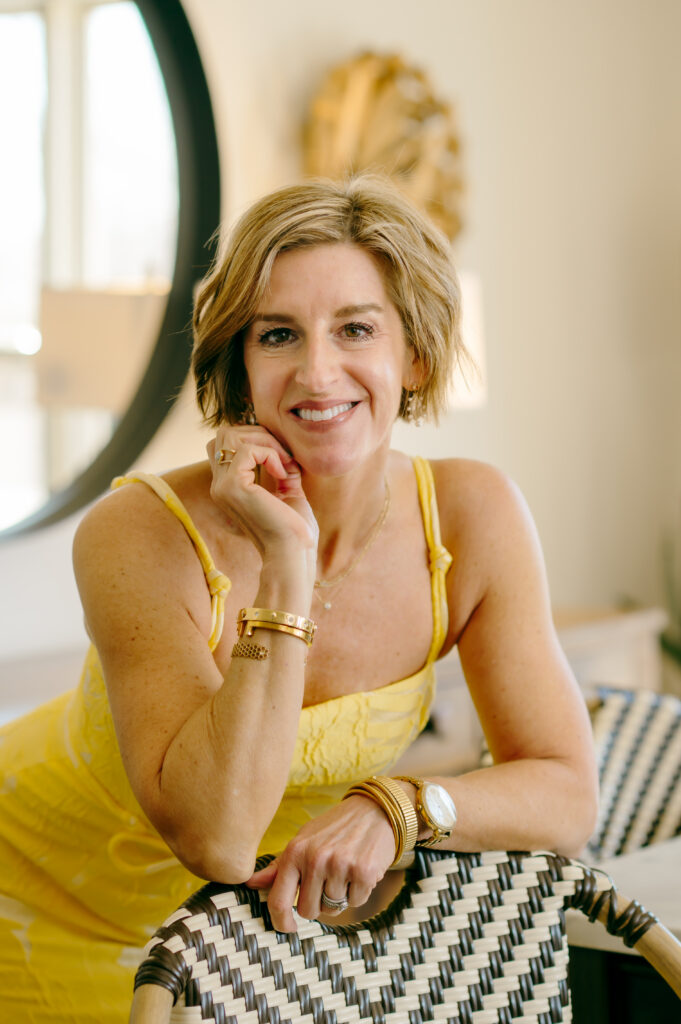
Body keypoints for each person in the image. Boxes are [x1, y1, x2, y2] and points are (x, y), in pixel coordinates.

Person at [0, 174, 598, 1021]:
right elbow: (218, 836)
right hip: (32, 904)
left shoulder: (472, 515)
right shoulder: (138, 531)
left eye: (356, 328)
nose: (318, 371)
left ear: (413, 355)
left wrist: (401, 805)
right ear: (242, 365)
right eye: (278, 334)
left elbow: (568, 795)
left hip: (251, 952)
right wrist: (288, 558)